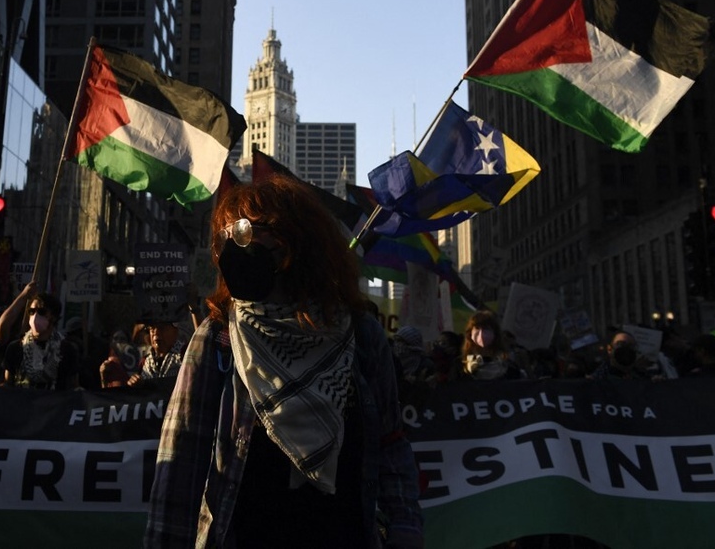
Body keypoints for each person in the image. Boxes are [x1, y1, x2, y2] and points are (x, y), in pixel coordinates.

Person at [145, 174, 423, 548]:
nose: (234, 244)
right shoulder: (218, 339)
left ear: (294, 239)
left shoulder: (363, 336)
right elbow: (179, 462)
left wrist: (405, 530)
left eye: (246, 230)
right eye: (225, 235)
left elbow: (391, 445)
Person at [1, 291, 80, 390]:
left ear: (54, 317)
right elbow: (8, 384)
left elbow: (74, 387)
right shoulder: (16, 348)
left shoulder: (66, 350)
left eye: (41, 312)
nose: (35, 316)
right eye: (31, 311)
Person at [460, 310, 523, 380]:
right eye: (477, 328)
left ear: (495, 333)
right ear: (470, 333)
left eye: (486, 328)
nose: (481, 333)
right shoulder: (461, 366)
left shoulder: (508, 367)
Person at [127, 320, 186, 385]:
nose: (156, 332)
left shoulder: (185, 354)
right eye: (152, 328)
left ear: (175, 331)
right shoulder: (145, 362)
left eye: (162, 328)